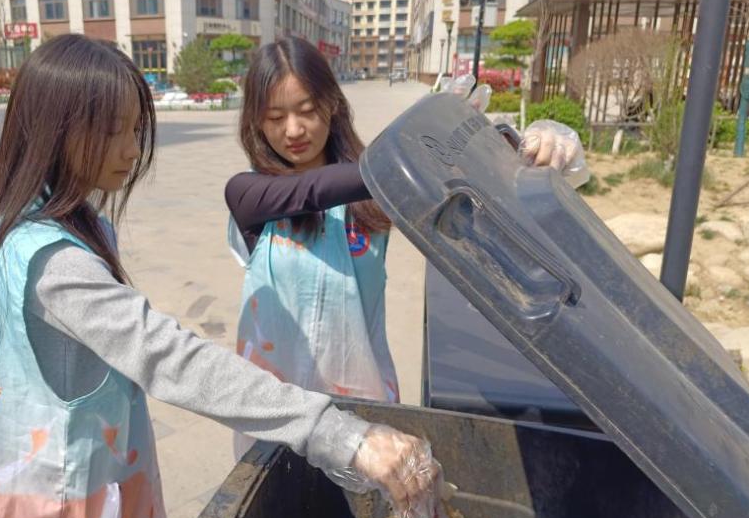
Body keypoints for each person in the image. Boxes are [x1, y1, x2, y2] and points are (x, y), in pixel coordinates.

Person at [0, 34, 437, 518]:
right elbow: (167, 356)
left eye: (135, 129)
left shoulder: (79, 225)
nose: (133, 151)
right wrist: (343, 435)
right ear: (55, 130)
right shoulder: (49, 261)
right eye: (114, 132)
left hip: (95, 505)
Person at [225, 39, 586, 458]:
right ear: (256, 122)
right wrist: (421, 146)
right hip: (275, 421)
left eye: (306, 110)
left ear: (332, 104)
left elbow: (489, 209)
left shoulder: (372, 196)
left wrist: (522, 150)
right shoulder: (248, 195)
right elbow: (313, 190)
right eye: (275, 117)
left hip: (362, 420)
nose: (293, 130)